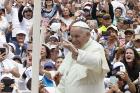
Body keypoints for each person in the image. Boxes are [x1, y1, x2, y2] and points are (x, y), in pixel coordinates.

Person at [54, 20, 109, 93]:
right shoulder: (72, 51)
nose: (73, 40)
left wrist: (77, 54)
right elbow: (64, 79)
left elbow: (97, 63)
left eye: (77, 36)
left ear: (88, 35)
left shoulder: (96, 47)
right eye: (72, 36)